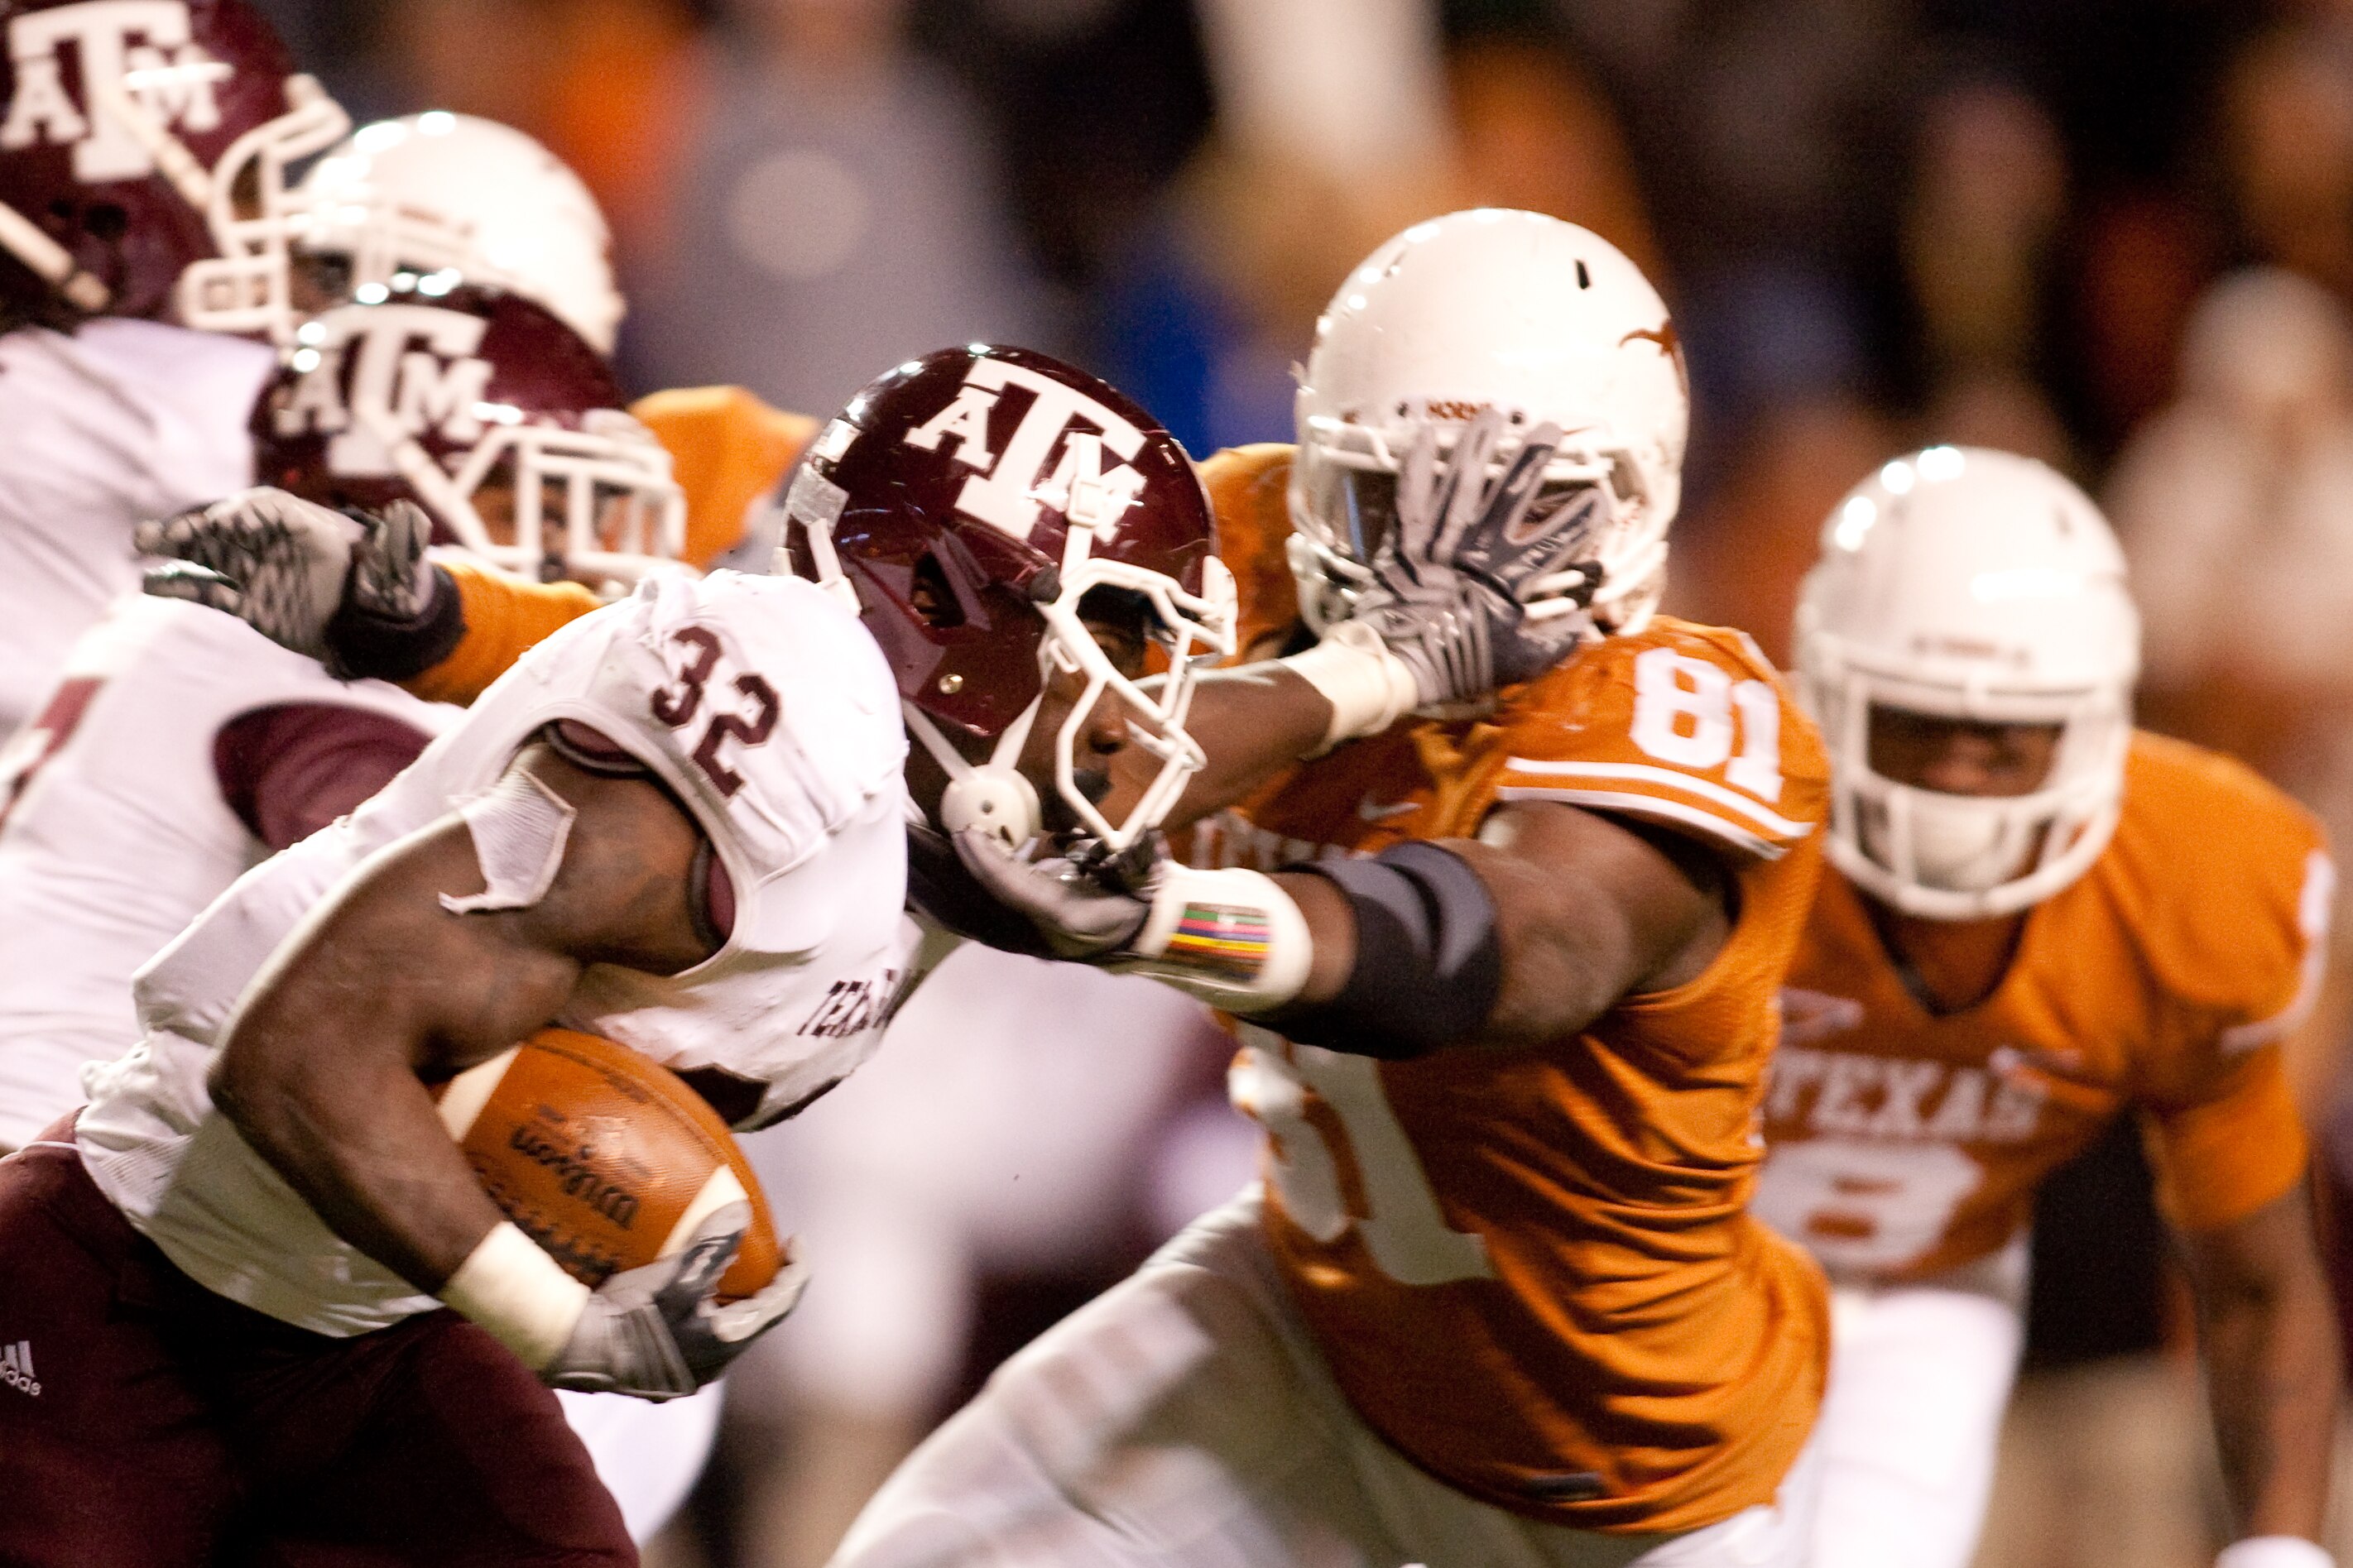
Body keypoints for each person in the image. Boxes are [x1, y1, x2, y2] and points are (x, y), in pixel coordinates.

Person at [12, 340, 1537, 1564]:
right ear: (942, 599)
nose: (1132, 695)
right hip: (128, 1278)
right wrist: (560, 1318)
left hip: (360, 1329)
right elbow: (306, 1047)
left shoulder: (929, 767)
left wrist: (1386, 666)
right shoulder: (773, 730)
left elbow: (1142, 760)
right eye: (1110, 637)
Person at [822, 211, 1832, 1566]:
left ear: (1634, 496)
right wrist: (1373, 675)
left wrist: (1168, 923)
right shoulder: (1255, 541)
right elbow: (1081, 752)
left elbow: (1519, 947)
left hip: (1629, 1479)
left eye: (1517, 503)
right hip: (1319, 1321)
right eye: (1393, 493)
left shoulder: (1681, 702)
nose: (1438, 562)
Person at [1750, 447, 2341, 1568]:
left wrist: (2277, 1552)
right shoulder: (1716, 813)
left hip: (1927, 1280)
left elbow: (2257, 1281)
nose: (1958, 778)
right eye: (1916, 721)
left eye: (2004, 733)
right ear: (1821, 693)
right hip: (1660, 1249)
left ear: (2092, 722)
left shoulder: (2191, 884)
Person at [0, 0, 351, 735]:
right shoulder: (188, 397)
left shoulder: (49, 384)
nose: (283, 229)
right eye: (252, 187)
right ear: (107, 209)